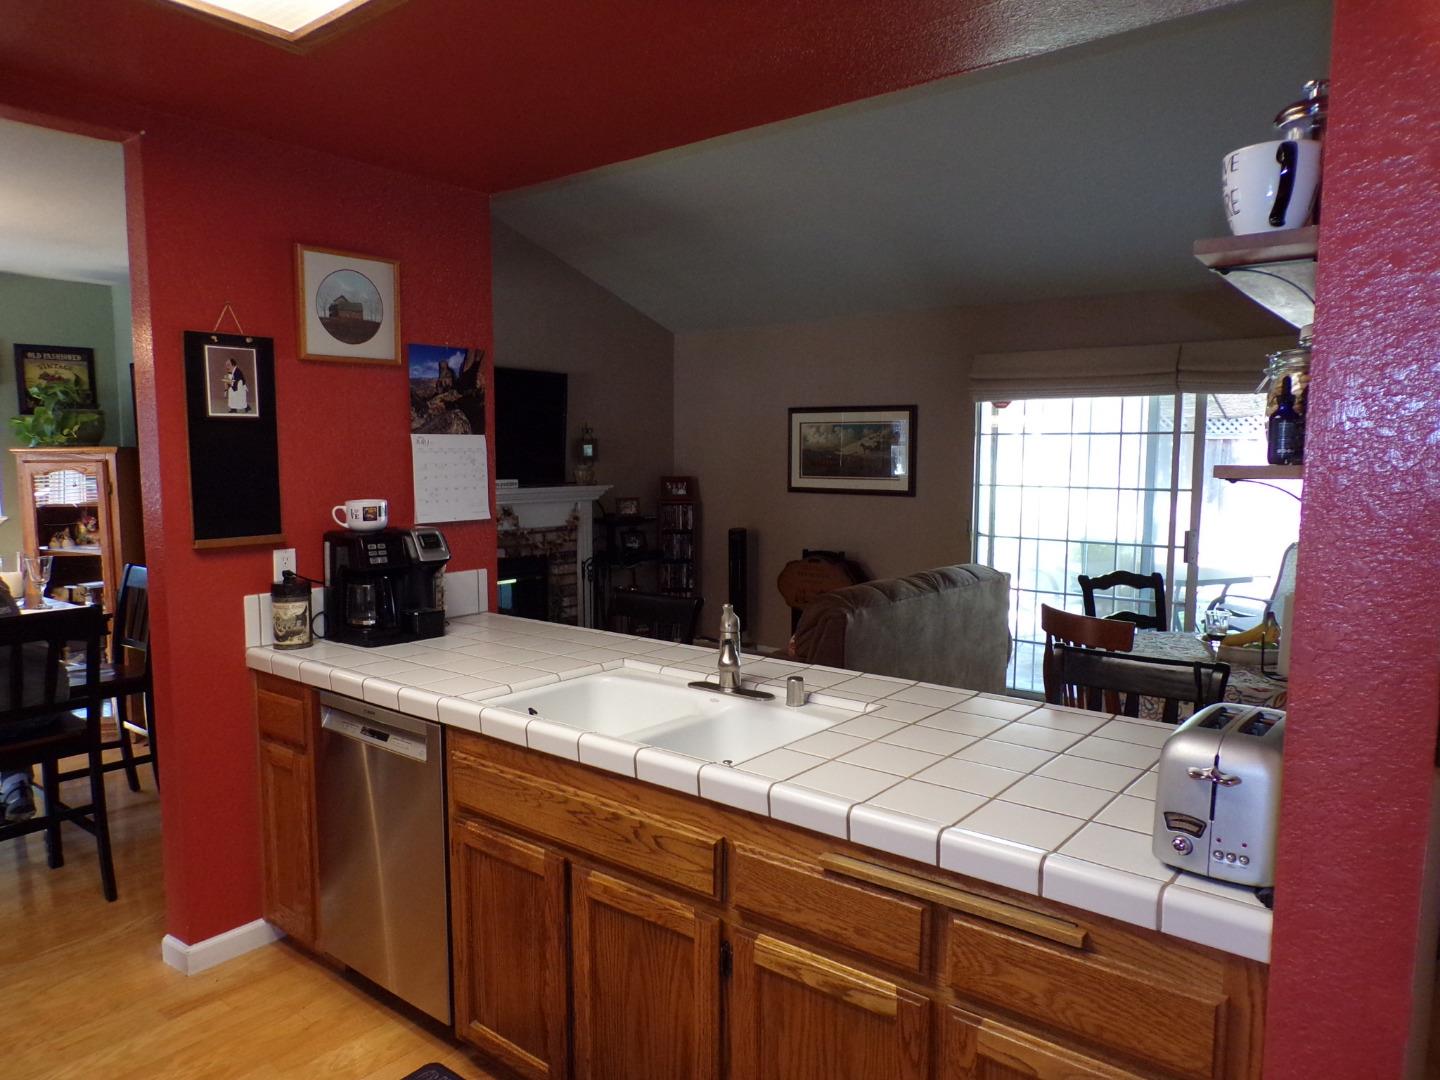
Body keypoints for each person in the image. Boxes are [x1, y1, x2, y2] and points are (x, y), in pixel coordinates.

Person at [0, 577, 64, 821]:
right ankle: (15, 785)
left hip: (9, 721)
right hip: (46, 712)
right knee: (13, 705)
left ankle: (14, 784)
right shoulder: (2, 590)